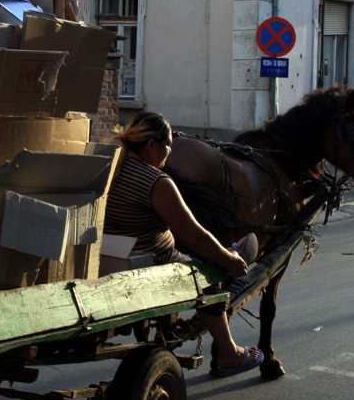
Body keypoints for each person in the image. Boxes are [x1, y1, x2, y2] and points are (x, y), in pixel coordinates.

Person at [104, 112, 263, 377]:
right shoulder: (156, 182)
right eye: (168, 146)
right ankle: (228, 353)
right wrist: (229, 261)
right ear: (152, 145)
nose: (169, 153)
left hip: (108, 252)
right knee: (208, 275)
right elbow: (194, 236)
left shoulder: (111, 166)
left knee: (202, 254)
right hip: (152, 257)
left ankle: (228, 252)